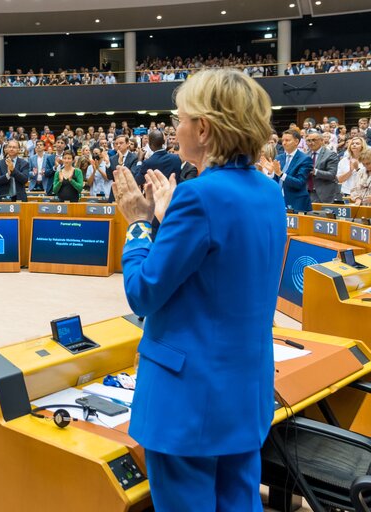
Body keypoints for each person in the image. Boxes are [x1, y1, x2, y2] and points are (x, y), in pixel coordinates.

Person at [112, 68, 286, 512]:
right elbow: (219, 270)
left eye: (180, 118)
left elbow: (144, 292)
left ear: (203, 129)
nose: (175, 128)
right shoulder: (269, 192)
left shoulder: (198, 197)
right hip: (244, 390)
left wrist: (137, 225)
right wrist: (170, 223)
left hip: (187, 401)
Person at [272, 129, 313, 212]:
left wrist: (280, 174)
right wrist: (270, 173)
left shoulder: (305, 159)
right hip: (279, 200)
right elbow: (275, 180)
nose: (284, 143)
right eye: (283, 140)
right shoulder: (278, 157)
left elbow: (299, 183)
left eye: (287, 140)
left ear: (296, 141)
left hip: (297, 202)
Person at [305, 129, 340, 204]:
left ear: (321, 140)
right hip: (308, 193)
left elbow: (332, 175)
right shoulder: (305, 155)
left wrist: (315, 172)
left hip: (325, 194)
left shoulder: (331, 154)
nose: (311, 143)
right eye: (308, 140)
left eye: (314, 140)